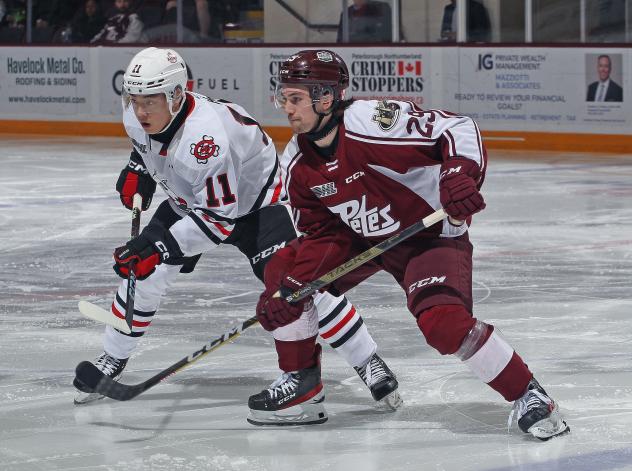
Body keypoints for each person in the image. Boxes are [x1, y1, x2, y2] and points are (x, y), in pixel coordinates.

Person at [249, 49, 570, 441]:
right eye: (283, 98)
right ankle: (302, 384)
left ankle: (529, 394)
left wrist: (457, 176)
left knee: (444, 325)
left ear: (326, 97)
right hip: (362, 238)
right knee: (285, 273)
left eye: (294, 98)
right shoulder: (298, 160)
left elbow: (457, 130)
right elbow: (321, 236)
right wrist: (294, 288)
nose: (286, 108)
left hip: (425, 236)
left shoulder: (373, 122)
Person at [72, 47, 401, 418]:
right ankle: (111, 360)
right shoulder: (138, 116)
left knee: (299, 287)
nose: (140, 111)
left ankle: (367, 361)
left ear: (176, 95)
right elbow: (148, 149)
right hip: (193, 201)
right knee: (144, 275)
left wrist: (157, 245)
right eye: (134, 100)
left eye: (150, 101)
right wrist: (139, 169)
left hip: (260, 206)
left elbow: (217, 222)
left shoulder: (204, 140)